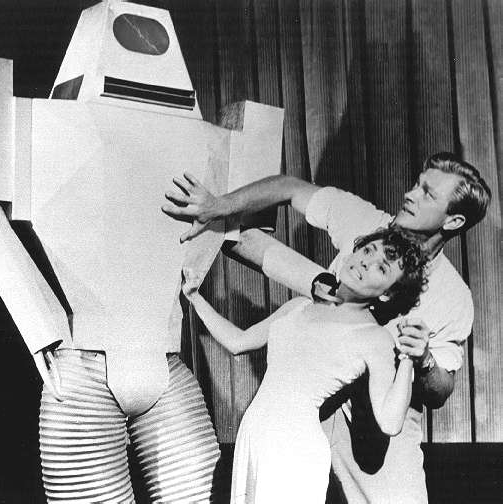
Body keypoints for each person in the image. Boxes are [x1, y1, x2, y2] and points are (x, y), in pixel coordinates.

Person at [162, 152, 492, 502]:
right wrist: (220, 207)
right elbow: (288, 187)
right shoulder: (366, 221)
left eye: (428, 194)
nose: (410, 195)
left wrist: (422, 359)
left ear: (454, 221)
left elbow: (440, 391)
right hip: (306, 412)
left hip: (377, 421)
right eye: (416, 184)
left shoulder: (454, 296)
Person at [182, 227, 428, 503]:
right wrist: (195, 298)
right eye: (368, 250)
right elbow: (238, 342)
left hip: (294, 446)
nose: (366, 262)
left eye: (382, 268)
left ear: (387, 294)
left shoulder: (375, 337)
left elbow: (390, 422)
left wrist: (409, 358)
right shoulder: (299, 306)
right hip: (255, 434)